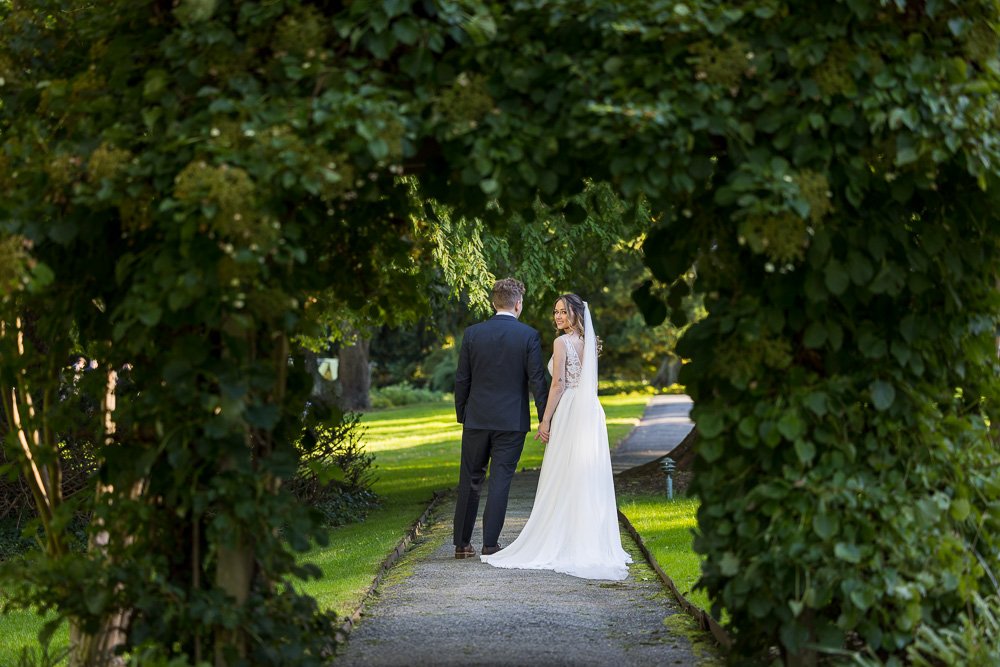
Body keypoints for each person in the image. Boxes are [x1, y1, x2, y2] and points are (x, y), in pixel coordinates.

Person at [481, 293, 632, 580]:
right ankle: (589, 541)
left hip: (572, 410)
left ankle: (565, 539)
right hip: (591, 410)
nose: (558, 317)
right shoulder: (590, 343)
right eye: (556, 312)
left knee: (565, 473)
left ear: (576, 313)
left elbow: (558, 385)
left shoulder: (562, 343)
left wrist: (545, 420)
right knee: (586, 473)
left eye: (563, 312)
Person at [453, 278, 549, 559]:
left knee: (469, 478)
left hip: (476, 419)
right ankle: (490, 544)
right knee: (500, 481)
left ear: (494, 302)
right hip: (511, 421)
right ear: (518, 304)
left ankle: (461, 544)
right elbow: (537, 381)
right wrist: (545, 420)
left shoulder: (472, 334)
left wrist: (464, 414)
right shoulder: (528, 335)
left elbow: (462, 379)